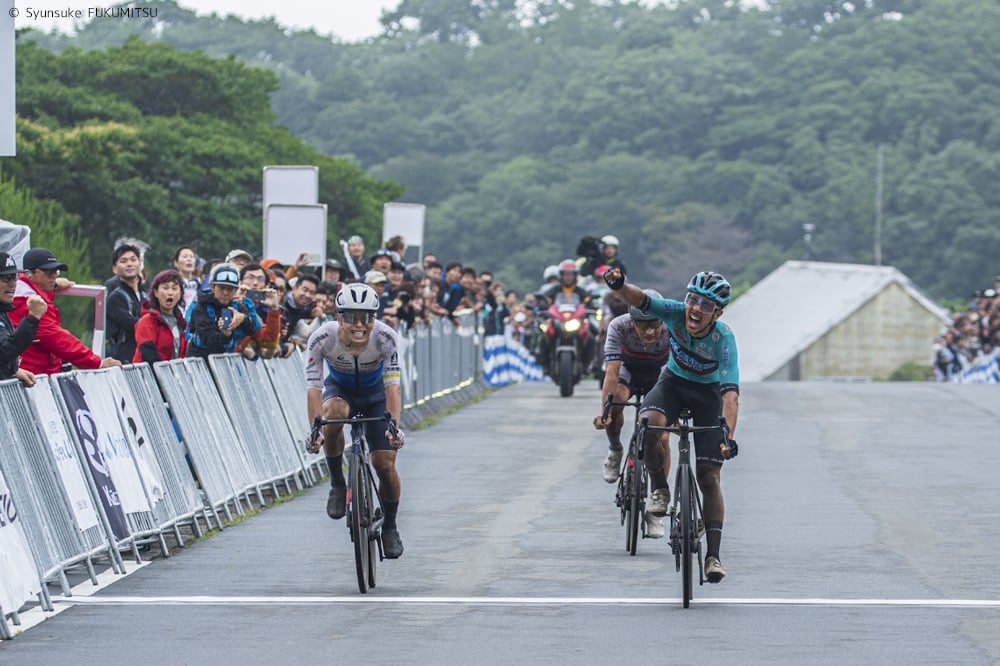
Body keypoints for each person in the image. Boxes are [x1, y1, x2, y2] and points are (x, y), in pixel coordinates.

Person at [603, 267, 740, 583]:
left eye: (706, 306)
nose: (695, 309)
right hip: (672, 385)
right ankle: (661, 490)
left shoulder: (724, 339)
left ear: (717, 313)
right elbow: (641, 300)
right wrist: (621, 284)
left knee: (709, 476)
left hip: (708, 396)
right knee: (648, 425)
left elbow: (730, 395)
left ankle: (713, 556)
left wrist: (727, 437)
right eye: (693, 300)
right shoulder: (676, 314)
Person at [304, 283, 406, 559]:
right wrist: (316, 429)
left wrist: (394, 427)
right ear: (339, 317)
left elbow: (392, 388)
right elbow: (314, 388)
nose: (360, 324)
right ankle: (338, 482)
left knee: (385, 465)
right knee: (333, 414)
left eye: (367, 317)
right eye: (351, 316)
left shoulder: (386, 338)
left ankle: (391, 525)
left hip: (376, 395)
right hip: (341, 391)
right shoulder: (321, 338)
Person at [592, 290, 672, 537]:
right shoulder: (618, 326)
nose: (649, 332)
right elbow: (612, 373)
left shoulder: (671, 327)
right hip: (628, 371)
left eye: (654, 325)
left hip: (661, 373)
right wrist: (606, 410)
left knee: (663, 436)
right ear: (632, 321)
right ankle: (615, 449)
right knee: (616, 400)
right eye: (642, 326)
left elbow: (676, 375)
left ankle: (655, 511)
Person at [11, 247, 122, 375]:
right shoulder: (29, 305)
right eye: (48, 272)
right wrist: (97, 363)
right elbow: (60, 341)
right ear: (30, 273)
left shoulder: (23, 295)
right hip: (34, 378)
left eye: (55, 272)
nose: (53, 276)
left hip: (36, 375)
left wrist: (54, 286)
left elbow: (39, 293)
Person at [185, 262, 261, 359]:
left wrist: (243, 319)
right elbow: (208, 340)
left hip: (224, 362)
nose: (225, 293)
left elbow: (253, 329)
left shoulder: (238, 307)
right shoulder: (201, 308)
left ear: (236, 289)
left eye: (229, 289)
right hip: (199, 363)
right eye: (221, 288)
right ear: (212, 286)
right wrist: (225, 334)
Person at [0, 252, 48, 386]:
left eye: (14, 278)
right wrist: (32, 318)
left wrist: (14, 370)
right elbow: (5, 350)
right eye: (6, 278)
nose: (13, 284)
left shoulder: (3, 311)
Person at [133, 269, 187, 364]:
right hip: (148, 376)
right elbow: (148, 354)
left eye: (174, 289)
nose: (170, 293)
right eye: (165, 288)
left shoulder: (181, 322)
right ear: (156, 292)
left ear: (181, 293)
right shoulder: (147, 321)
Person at [106, 244, 147, 363]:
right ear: (114, 268)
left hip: (145, 357)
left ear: (140, 264)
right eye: (123, 261)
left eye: (133, 260)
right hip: (125, 361)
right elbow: (134, 325)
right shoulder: (116, 298)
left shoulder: (145, 295)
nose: (129, 264)